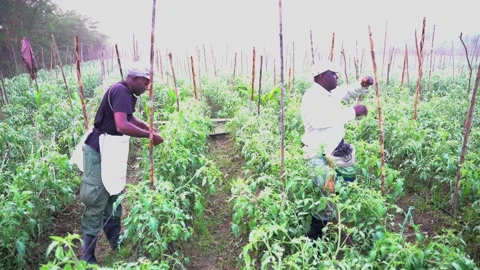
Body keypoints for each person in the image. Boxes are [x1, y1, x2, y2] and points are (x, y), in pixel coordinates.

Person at [79, 63, 164, 264]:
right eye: (145, 82)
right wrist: (149, 135)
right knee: (96, 198)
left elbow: (129, 117)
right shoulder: (120, 91)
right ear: (134, 78)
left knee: (114, 195)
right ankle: (87, 257)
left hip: (111, 150)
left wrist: (146, 126)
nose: (147, 87)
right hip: (99, 151)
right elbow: (121, 124)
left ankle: (116, 241)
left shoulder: (127, 93)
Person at [300, 60, 374, 240]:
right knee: (329, 193)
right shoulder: (312, 97)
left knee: (340, 186)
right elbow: (320, 120)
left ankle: (331, 219)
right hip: (317, 155)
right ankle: (314, 239)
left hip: (332, 152)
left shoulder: (328, 93)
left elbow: (347, 91)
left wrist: (361, 85)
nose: (337, 77)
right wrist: (353, 112)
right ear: (323, 76)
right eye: (334, 74)